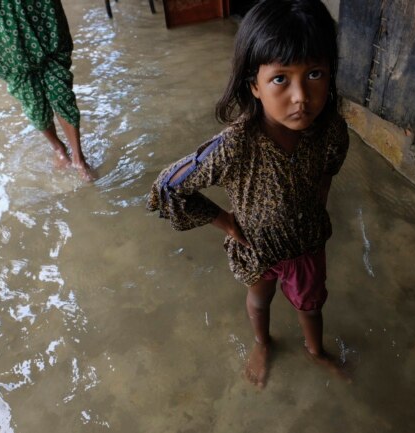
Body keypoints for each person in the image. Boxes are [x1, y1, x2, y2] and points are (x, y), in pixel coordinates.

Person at [147, 0, 350, 387]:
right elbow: (169, 187)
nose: (301, 96)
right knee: (259, 300)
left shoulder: (330, 130)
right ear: (253, 84)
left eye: (315, 74)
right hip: (255, 246)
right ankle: (262, 343)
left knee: (312, 305)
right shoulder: (234, 146)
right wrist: (225, 222)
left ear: (331, 75)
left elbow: (329, 168)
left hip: (307, 242)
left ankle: (316, 352)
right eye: (281, 79)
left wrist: (316, 205)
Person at [0, 0, 94, 181]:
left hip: (34, 9)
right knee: (30, 96)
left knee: (60, 85)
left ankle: (78, 157)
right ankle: (58, 148)